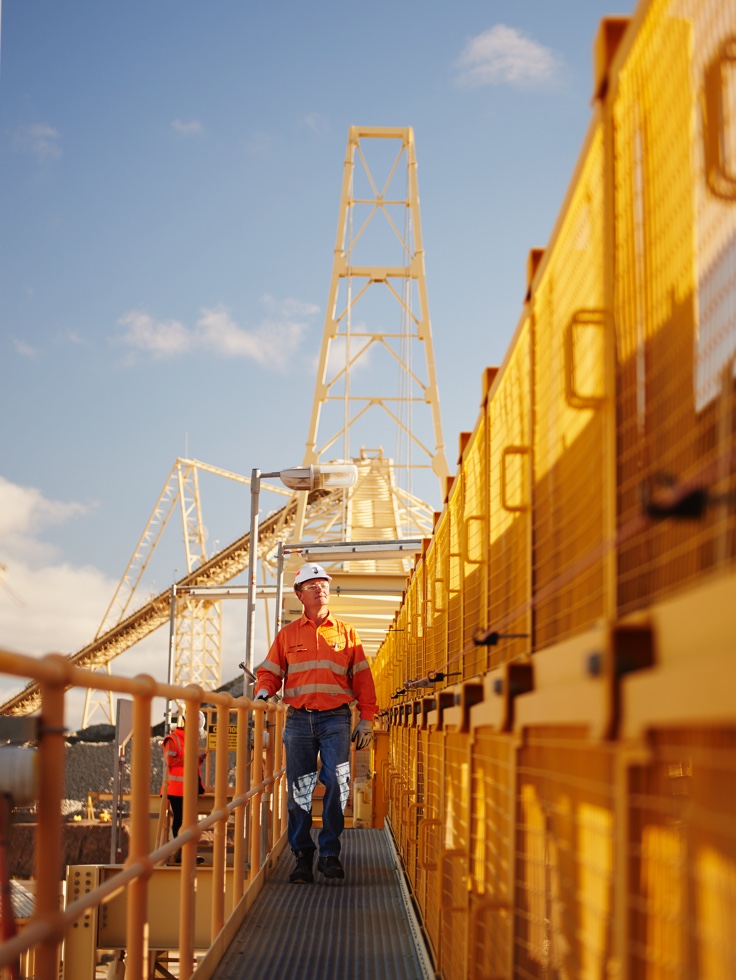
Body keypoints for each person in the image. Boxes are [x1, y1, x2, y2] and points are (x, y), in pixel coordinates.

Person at [254, 562, 378, 884]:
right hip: (298, 721)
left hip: (336, 718)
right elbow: (270, 671)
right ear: (300, 594)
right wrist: (264, 691)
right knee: (299, 789)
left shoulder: (347, 633)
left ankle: (329, 854)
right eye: (312, 585)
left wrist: (366, 719)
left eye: (323, 583)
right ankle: (302, 856)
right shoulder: (287, 635)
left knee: (338, 781)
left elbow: (363, 680)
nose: (320, 588)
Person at [161, 711, 207, 862]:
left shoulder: (189, 739)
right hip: (177, 789)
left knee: (189, 822)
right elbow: (171, 761)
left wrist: (197, 760)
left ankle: (187, 854)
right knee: (181, 821)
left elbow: (185, 763)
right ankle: (182, 856)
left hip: (188, 788)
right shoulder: (173, 739)